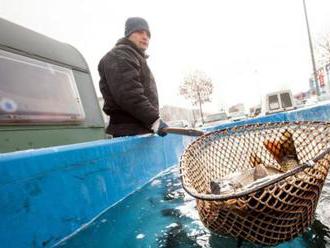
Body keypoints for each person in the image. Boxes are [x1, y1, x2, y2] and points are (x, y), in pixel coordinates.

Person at [98, 17, 168, 138]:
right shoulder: (120, 55)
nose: (145, 37)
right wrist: (154, 120)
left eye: (148, 34)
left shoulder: (134, 56)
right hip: (129, 132)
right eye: (140, 32)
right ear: (129, 34)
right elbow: (129, 94)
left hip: (141, 129)